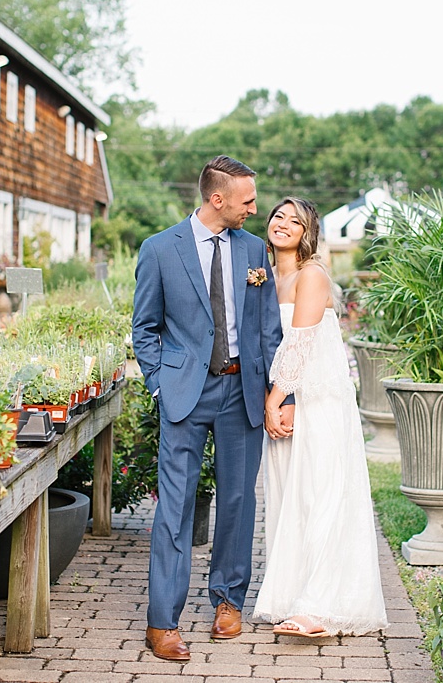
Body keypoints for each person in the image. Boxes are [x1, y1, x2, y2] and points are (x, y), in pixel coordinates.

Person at [131, 157, 283, 663]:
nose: (254, 209)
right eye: (247, 201)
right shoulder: (159, 250)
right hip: (184, 396)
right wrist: (159, 382)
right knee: (175, 508)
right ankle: (163, 622)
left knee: (238, 502)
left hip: (242, 393)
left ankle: (227, 601)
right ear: (217, 199)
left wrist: (275, 390)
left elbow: (268, 328)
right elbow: (144, 327)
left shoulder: (255, 249)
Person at [252, 197, 388, 640]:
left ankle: (322, 607)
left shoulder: (312, 276)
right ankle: (293, 596)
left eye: (295, 220)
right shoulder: (265, 276)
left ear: (307, 232)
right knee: (290, 497)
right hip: (288, 400)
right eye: (278, 216)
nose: (283, 224)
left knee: (322, 494)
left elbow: (299, 344)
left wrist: (274, 400)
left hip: (318, 399)